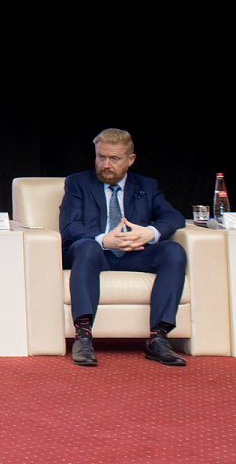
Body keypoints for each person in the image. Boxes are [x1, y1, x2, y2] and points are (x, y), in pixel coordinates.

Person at [60, 128, 187, 367]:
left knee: (173, 250)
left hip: (133, 254)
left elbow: (173, 217)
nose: (106, 165)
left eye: (114, 159)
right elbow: (69, 227)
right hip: (95, 255)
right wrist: (103, 239)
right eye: (101, 157)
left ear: (130, 160)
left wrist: (150, 232)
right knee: (87, 246)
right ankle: (83, 337)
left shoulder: (146, 185)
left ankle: (158, 339)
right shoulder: (78, 183)